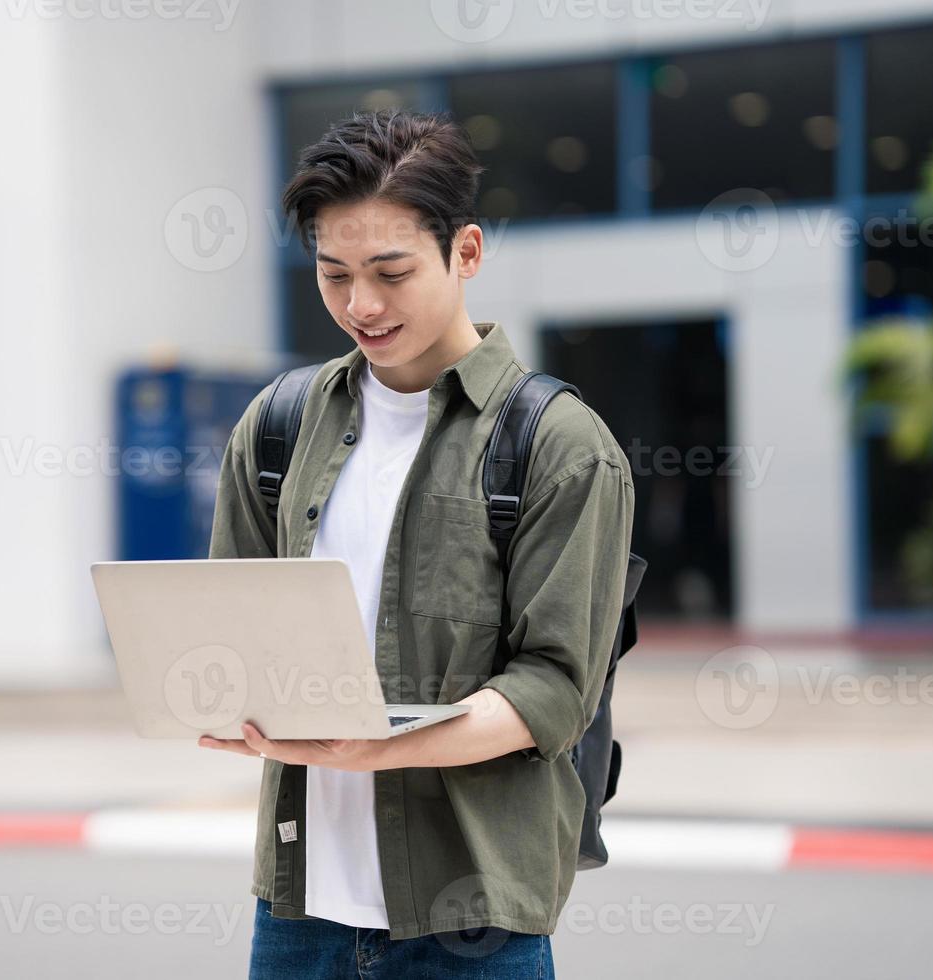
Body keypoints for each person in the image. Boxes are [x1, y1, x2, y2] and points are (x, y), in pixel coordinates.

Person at [199, 108, 635, 979]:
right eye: (334, 276)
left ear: (465, 253)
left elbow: (553, 690)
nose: (361, 305)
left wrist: (380, 748)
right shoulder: (279, 427)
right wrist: (214, 691)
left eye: (391, 273)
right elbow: (226, 626)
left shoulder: (559, 446)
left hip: (472, 924)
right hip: (297, 915)